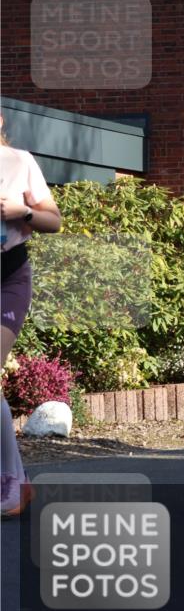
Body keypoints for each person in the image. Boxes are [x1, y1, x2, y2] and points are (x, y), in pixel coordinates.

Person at [0, 115, 63, 518]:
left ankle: (10, 480)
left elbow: (53, 221)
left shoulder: (19, 161)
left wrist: (21, 211)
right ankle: (15, 481)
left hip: (8, 277)